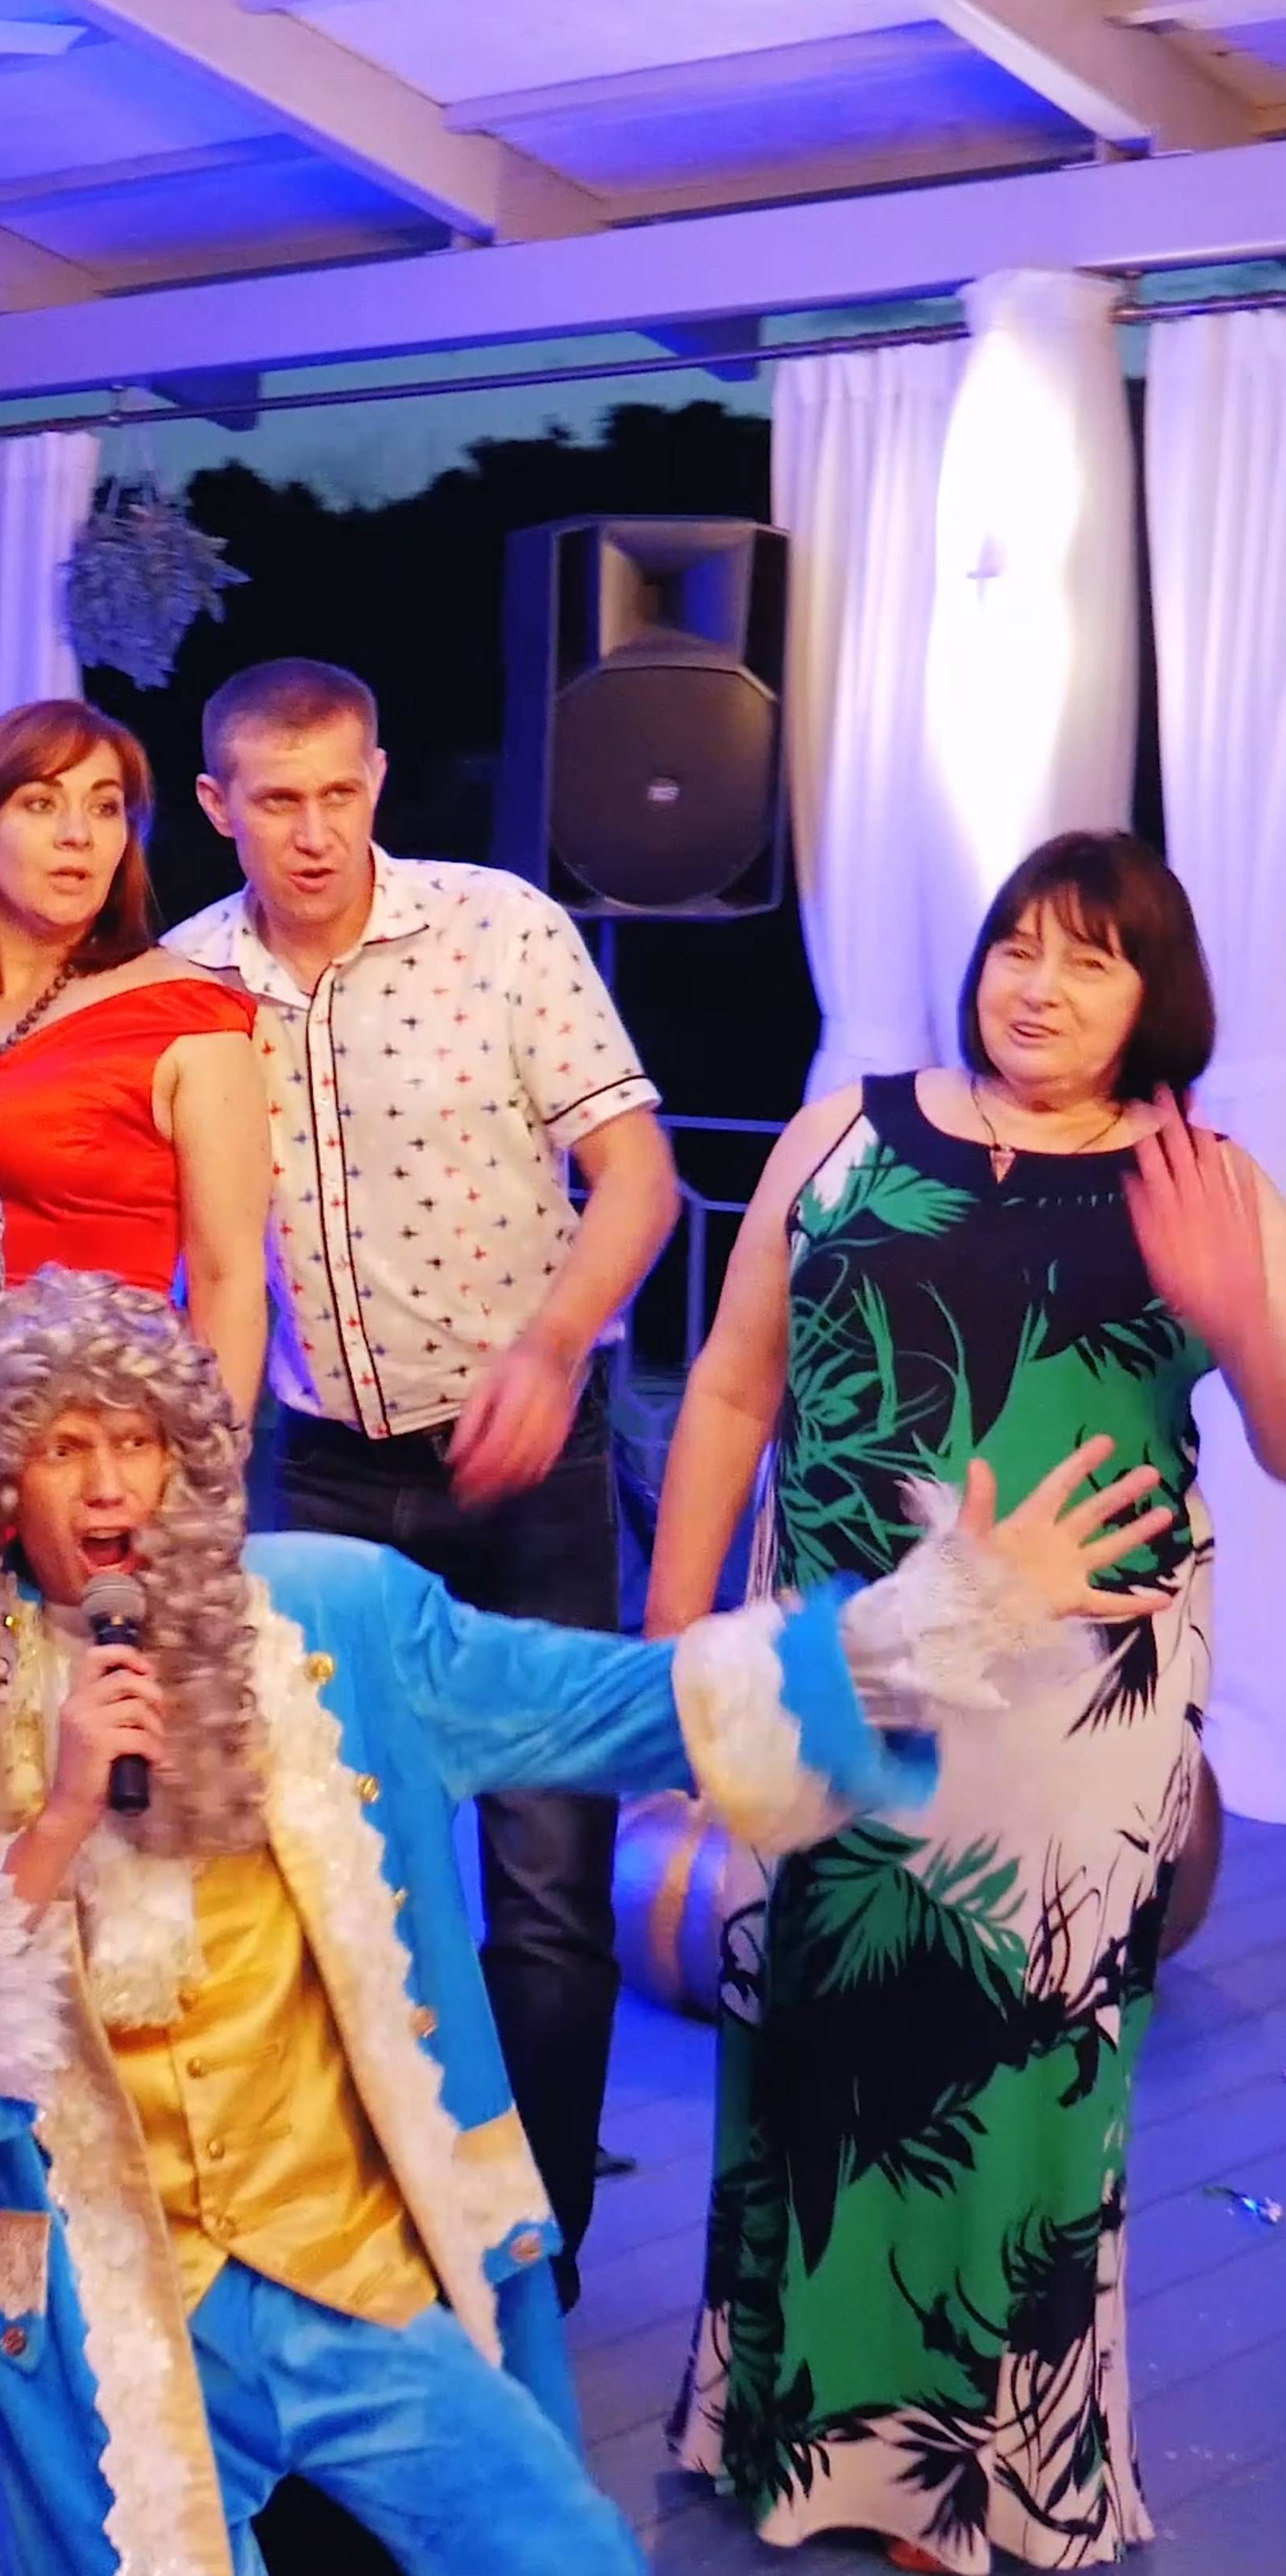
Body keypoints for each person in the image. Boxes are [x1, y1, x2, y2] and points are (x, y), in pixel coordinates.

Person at [0, 1271, 1174, 2576]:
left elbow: (616, 1705)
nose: (109, 1485)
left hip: (348, 2262)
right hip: (101, 2303)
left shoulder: (328, 1617)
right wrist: (57, 1825)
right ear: (2, 1485)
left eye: (134, 1442)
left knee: (557, 2549)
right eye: (63, 1449)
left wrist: (930, 1618)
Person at [658, 835, 1285, 2572]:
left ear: (1152, 996)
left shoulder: (1199, 1180)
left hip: (1071, 1714)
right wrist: (675, 1642)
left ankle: (971, 2474)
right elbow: (728, 1388)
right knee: (812, 2034)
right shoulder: (842, 1133)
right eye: (1018, 945)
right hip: (836, 1662)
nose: (1038, 985)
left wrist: (1234, 1315)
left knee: (1014, 2071)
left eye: (1090, 959)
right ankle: (778, 2427)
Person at [159, 657, 681, 2302]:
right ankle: (373, 2231)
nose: (313, 832)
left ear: (377, 779)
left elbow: (637, 1179)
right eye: (275, 800)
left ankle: (535, 2261)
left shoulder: (498, 929)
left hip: (527, 1457)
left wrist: (552, 1348)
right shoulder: (182, 978)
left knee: (545, 1883)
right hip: (311, 1471)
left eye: (338, 791)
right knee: (327, 1869)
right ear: (216, 806)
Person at [0, 701, 267, 1629]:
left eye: (105, 805)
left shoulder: (188, 1016)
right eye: (42, 803)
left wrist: (206, 1489)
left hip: (104, 1448)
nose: (79, 834)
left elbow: (228, 1276)